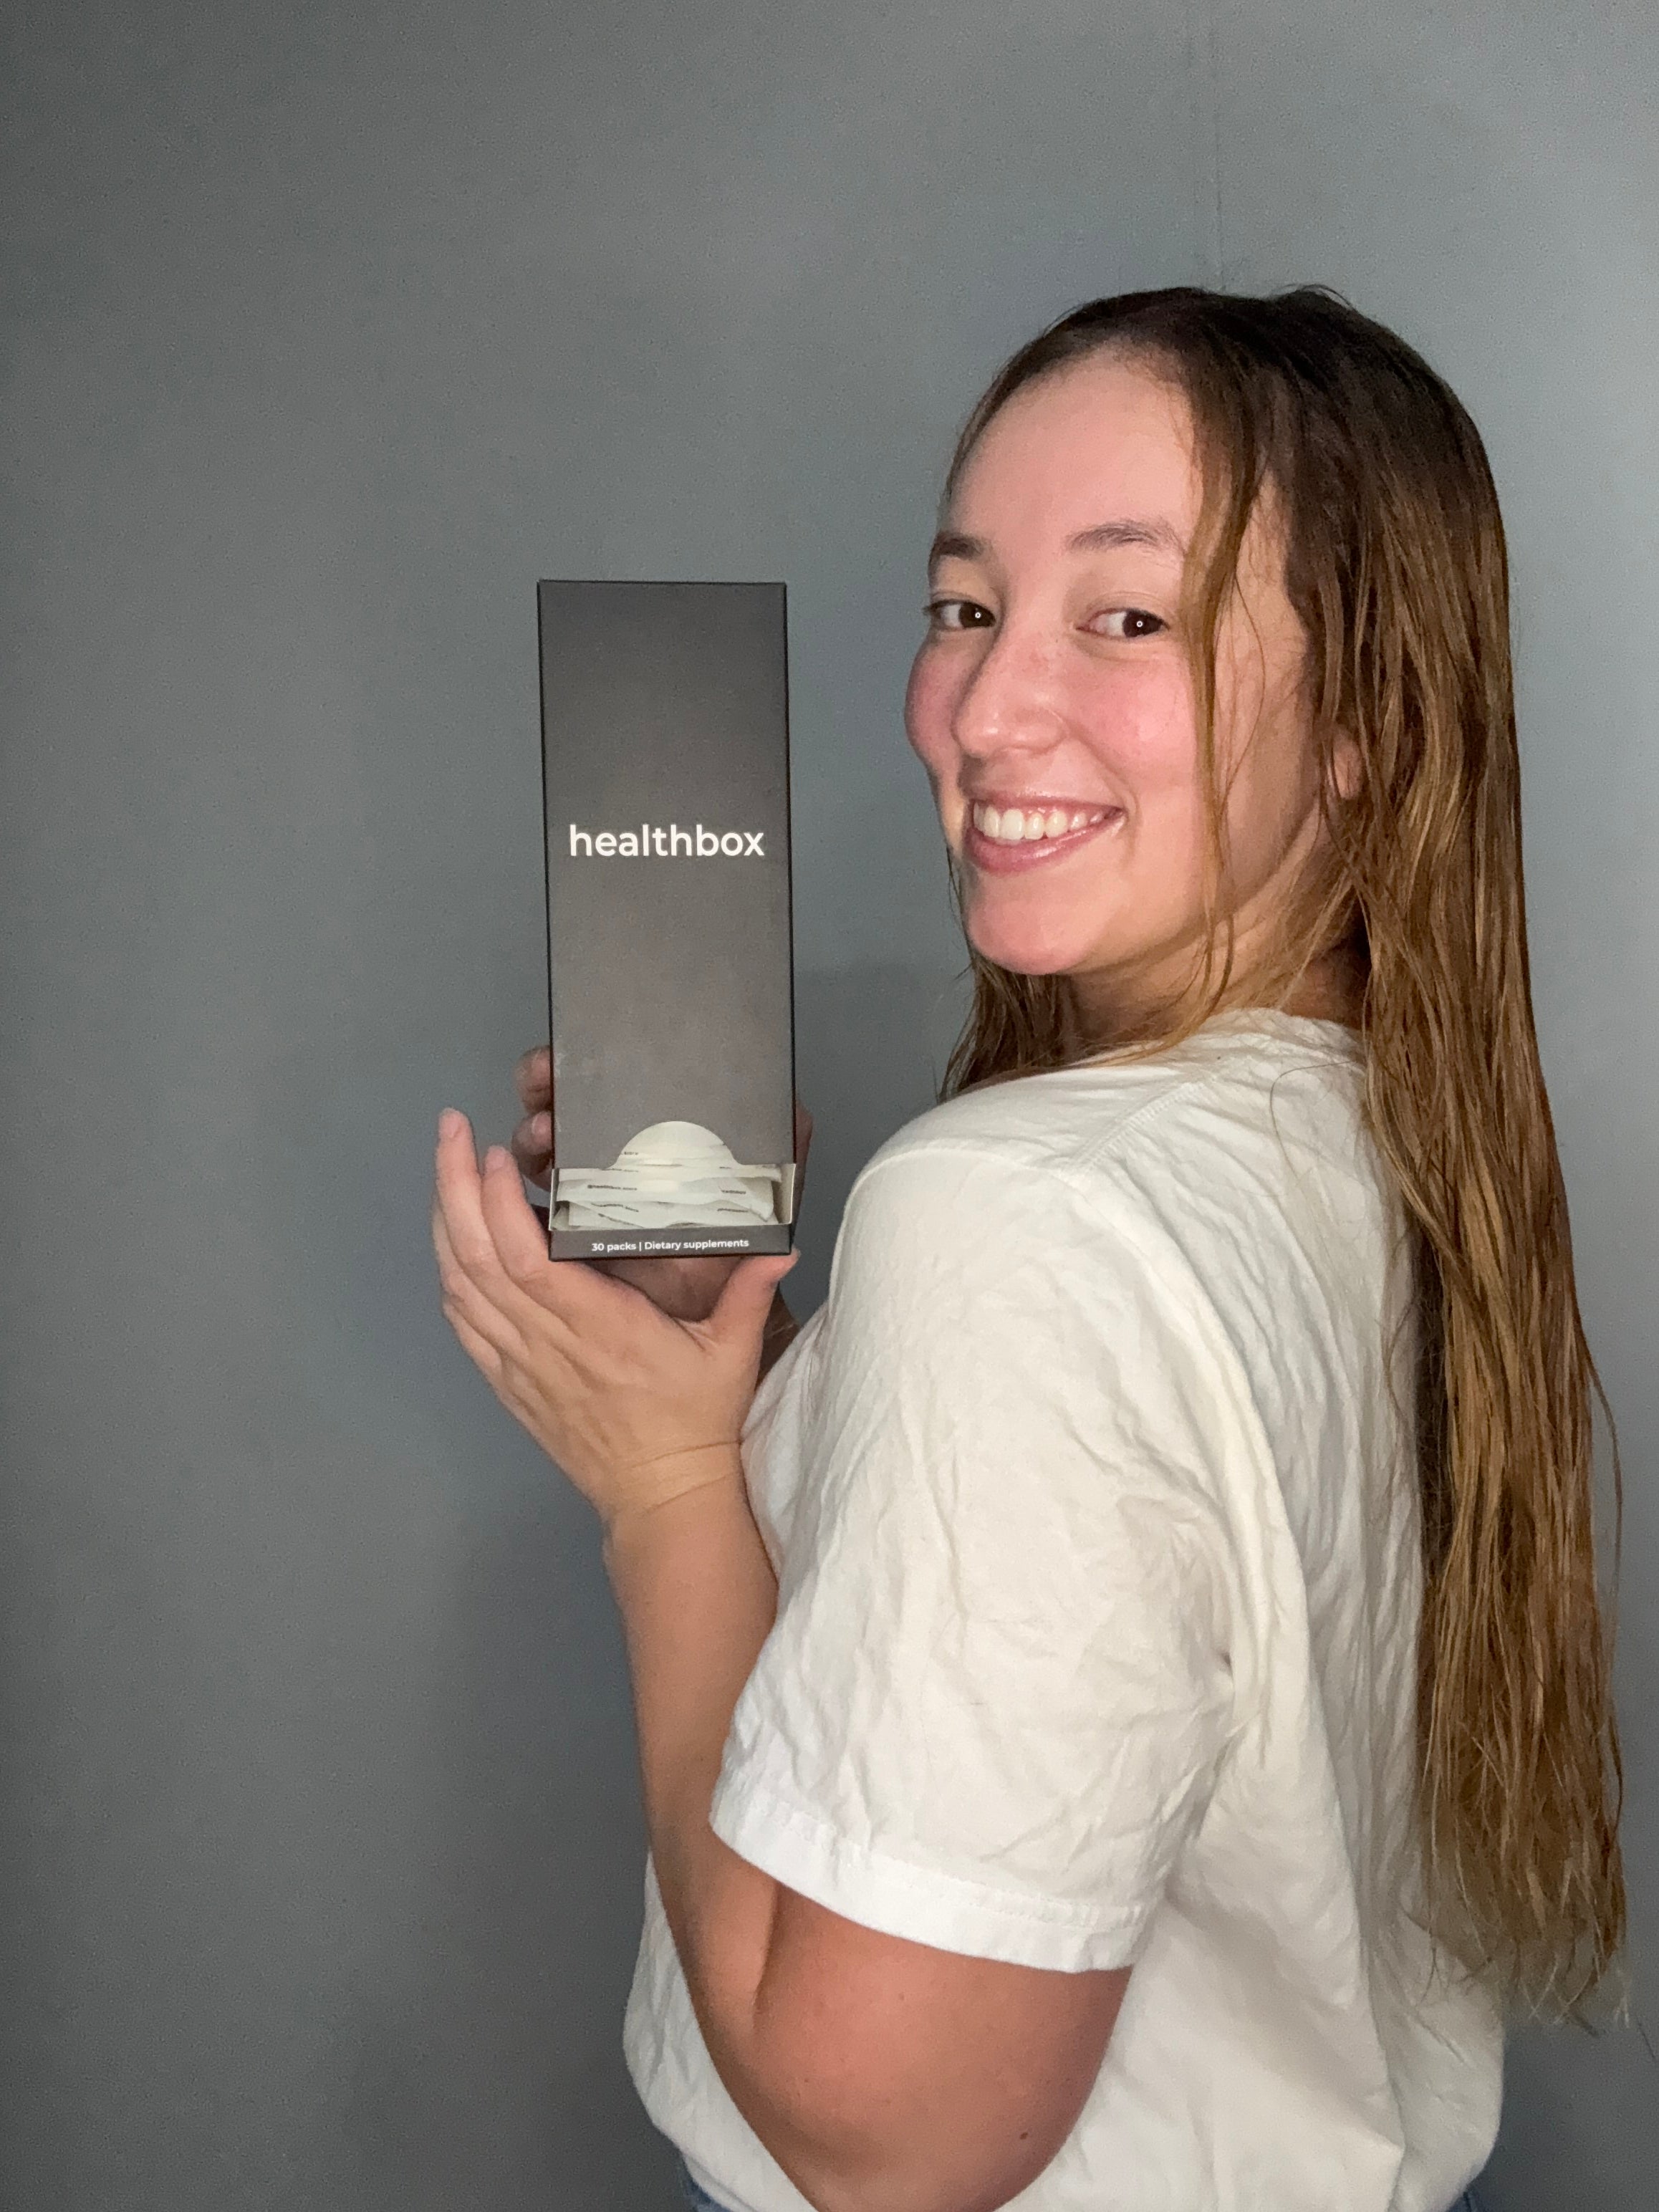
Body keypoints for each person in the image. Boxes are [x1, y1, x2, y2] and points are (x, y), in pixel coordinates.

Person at [431, 287, 1624, 2212]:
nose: (984, 713)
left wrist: (664, 1496)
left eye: (1125, 617)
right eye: (966, 606)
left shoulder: (1024, 1218)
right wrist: (757, 1384)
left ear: (1365, 728)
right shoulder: (1387, 1151)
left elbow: (888, 2135)